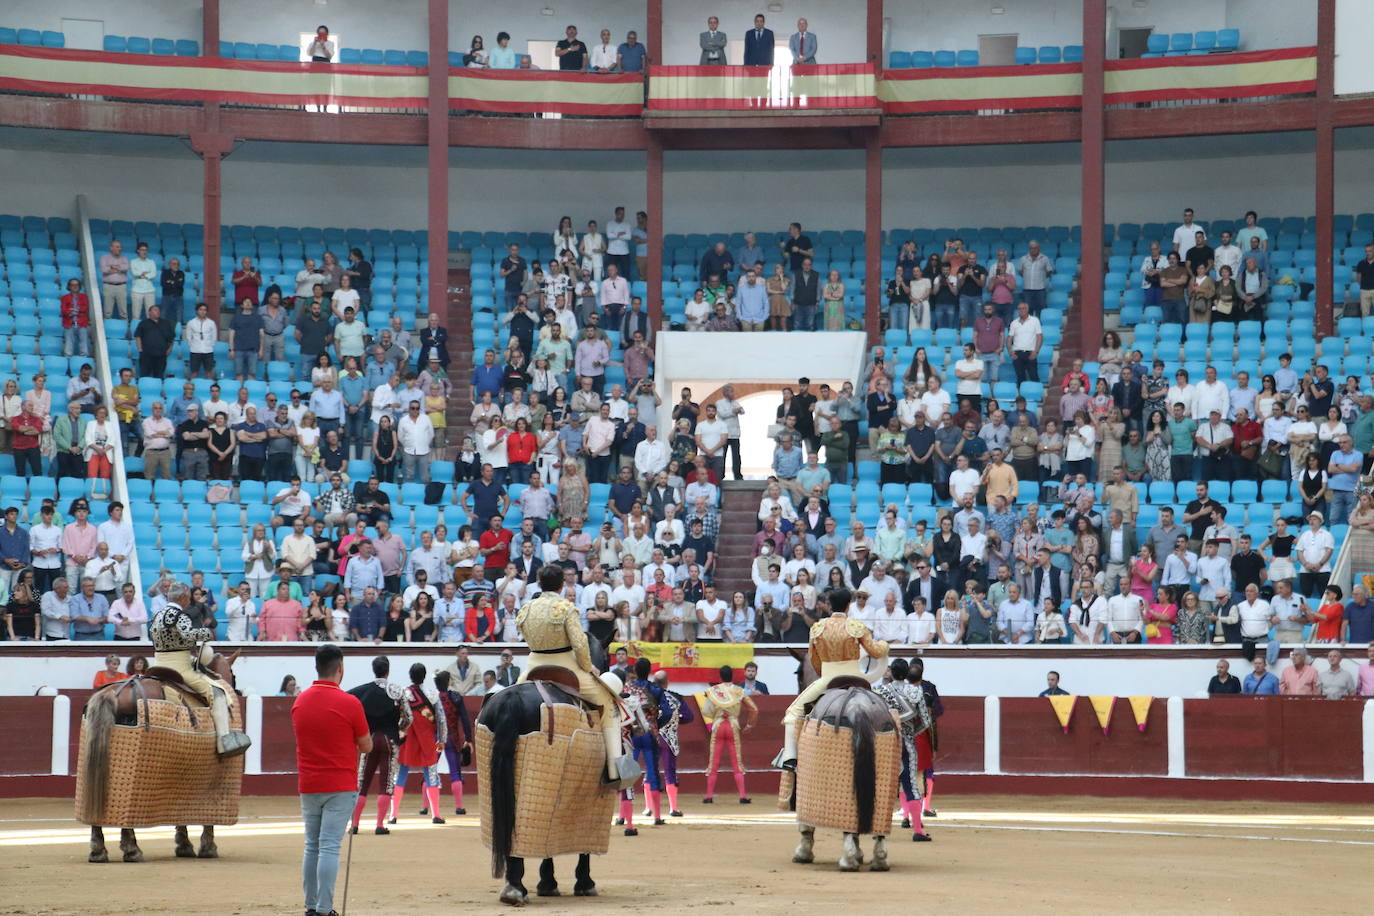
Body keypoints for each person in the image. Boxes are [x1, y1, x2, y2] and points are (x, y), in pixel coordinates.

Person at [291, 643, 369, 916]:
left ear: (317, 667)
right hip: (340, 784)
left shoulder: (300, 701)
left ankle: (311, 906)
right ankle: (325, 909)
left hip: (309, 783)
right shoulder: (350, 703)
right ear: (340, 669)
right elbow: (367, 745)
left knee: (312, 845)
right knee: (329, 847)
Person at [148, 582, 252, 757]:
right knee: (217, 692)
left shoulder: (158, 615)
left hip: (157, 664)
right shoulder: (180, 616)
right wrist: (204, 632)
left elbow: (153, 636)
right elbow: (189, 635)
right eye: (188, 597)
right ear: (181, 598)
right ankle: (224, 741)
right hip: (179, 667)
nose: (189, 600)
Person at [347, 655, 412, 835]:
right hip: (390, 740)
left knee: (362, 782)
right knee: (386, 782)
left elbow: (347, 704)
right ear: (387, 671)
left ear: (374, 670)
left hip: (368, 740)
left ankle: (355, 824)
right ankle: (380, 825)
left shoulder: (361, 691)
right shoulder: (396, 691)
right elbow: (408, 717)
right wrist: (400, 729)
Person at [390, 662, 447, 826]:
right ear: (424, 676)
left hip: (406, 739)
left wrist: (396, 736)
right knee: (431, 774)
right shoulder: (432, 694)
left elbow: (397, 717)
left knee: (399, 776)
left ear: (410, 676)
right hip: (427, 739)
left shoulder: (403, 694)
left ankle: (393, 815)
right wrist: (442, 739)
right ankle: (435, 814)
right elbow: (441, 719)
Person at [700, 665, 758, 804]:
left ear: (720, 677)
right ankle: (742, 796)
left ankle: (709, 796)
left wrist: (717, 714)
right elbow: (754, 709)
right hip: (733, 725)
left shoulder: (715, 691)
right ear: (732, 676)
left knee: (714, 761)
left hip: (719, 725)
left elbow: (706, 711)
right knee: (737, 761)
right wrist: (750, 724)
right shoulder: (739, 691)